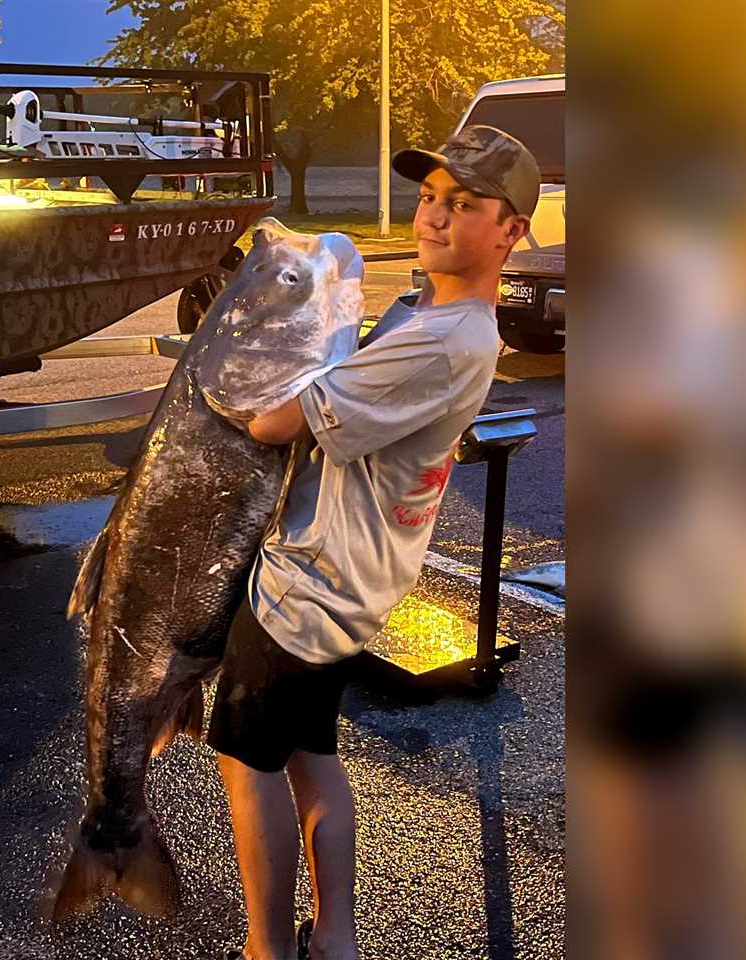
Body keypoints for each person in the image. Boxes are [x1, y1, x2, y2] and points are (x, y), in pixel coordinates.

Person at [207, 125, 540, 960]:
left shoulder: (442, 338)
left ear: (510, 231)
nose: (434, 217)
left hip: (308, 589)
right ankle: (337, 939)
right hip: (351, 582)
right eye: (430, 197)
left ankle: (267, 948)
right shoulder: (432, 312)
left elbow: (276, 420)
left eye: (465, 206)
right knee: (312, 754)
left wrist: (250, 380)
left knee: (250, 764)